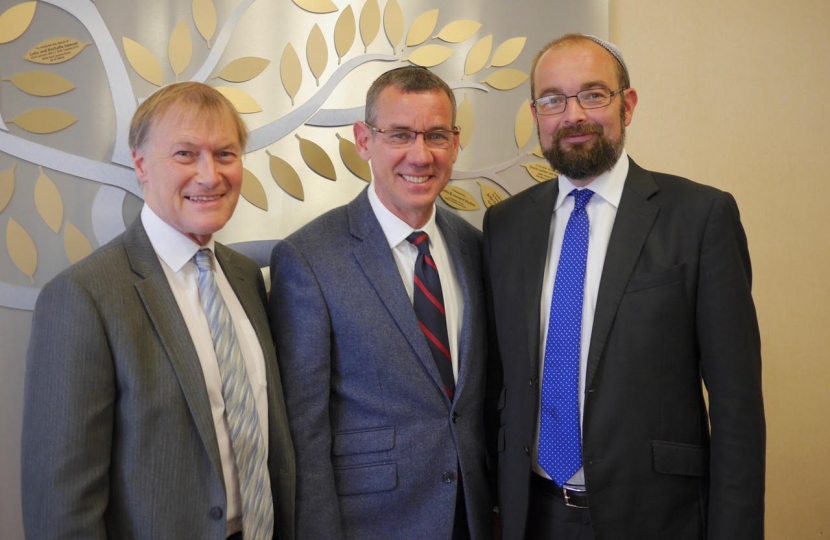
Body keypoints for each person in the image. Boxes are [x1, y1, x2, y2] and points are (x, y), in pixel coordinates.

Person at [483, 34, 765, 540]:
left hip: (658, 517)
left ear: (627, 105)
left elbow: (737, 408)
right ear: (536, 114)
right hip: (533, 517)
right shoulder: (505, 226)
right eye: (553, 100)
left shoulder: (700, 217)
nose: (573, 115)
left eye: (593, 94)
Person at [21, 82, 295, 540]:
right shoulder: (83, 296)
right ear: (141, 164)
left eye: (225, 154)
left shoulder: (246, 277)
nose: (209, 176)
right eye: (186, 155)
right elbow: (61, 505)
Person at [268, 66, 492, 540]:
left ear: (454, 142)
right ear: (363, 141)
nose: (420, 154)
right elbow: (302, 436)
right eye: (400, 135)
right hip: (370, 524)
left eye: (435, 135)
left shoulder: (476, 247)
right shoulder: (308, 258)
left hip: (471, 517)